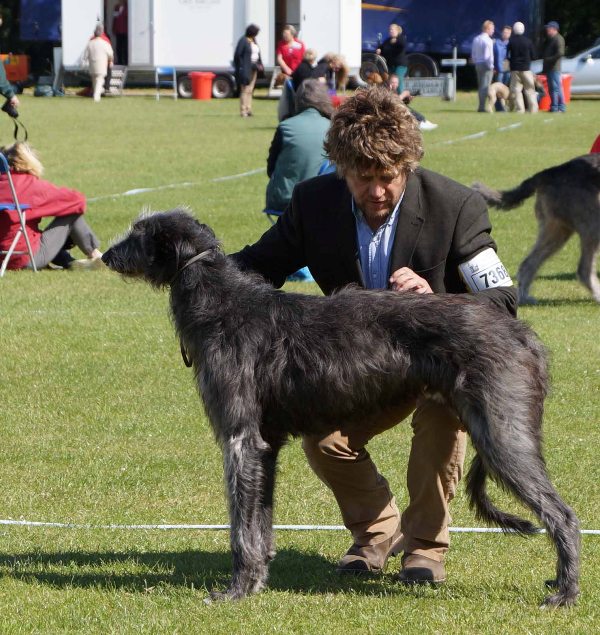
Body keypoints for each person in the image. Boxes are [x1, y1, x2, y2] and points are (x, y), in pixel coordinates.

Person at [232, 87, 516, 583]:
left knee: (441, 423)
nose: (377, 190)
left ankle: (425, 546)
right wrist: (199, 279)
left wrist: (437, 300)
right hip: (358, 368)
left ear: (407, 164)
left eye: (388, 177)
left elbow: (504, 302)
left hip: (439, 361)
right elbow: (257, 266)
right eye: (363, 179)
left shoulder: (456, 205)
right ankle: (378, 531)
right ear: (341, 169)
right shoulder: (313, 204)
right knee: (323, 440)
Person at [0, 142, 104, 271]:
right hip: (26, 259)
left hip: (2, 258)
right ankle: (96, 255)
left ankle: (69, 262)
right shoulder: (29, 185)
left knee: (33, 233)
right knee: (71, 214)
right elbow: (78, 201)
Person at [266, 79, 333, 212]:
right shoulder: (333, 128)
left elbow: (270, 169)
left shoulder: (284, 127)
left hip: (284, 201)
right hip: (321, 200)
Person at [507, 22, 538, 113]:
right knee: (530, 90)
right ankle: (533, 109)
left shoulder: (511, 41)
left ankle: (520, 109)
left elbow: (507, 55)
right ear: (523, 29)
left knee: (516, 90)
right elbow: (534, 56)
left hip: (515, 69)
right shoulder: (528, 41)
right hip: (526, 69)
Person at [234, 24, 262, 117]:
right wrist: (241, 66)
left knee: (250, 90)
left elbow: (257, 53)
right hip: (246, 68)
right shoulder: (243, 41)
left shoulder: (253, 40)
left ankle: (249, 109)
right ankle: (243, 110)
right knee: (245, 90)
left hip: (254, 68)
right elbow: (238, 54)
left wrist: (259, 63)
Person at [82, 24, 114, 102]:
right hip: (102, 65)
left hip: (92, 65)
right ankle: (96, 96)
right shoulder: (105, 41)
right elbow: (110, 54)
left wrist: (84, 64)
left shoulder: (90, 42)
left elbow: (85, 55)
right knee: (100, 80)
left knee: (94, 80)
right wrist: (110, 61)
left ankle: (95, 94)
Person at [376, 24, 409, 94]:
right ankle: (391, 97)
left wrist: (396, 41)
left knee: (397, 79)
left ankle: (401, 98)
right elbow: (382, 49)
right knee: (390, 81)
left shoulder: (401, 38)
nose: (391, 31)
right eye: (390, 30)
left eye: (392, 30)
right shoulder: (387, 41)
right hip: (391, 65)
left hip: (400, 65)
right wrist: (379, 50)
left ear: (397, 31)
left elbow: (402, 45)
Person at [542, 21, 566, 113]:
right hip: (550, 68)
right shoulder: (551, 39)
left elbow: (560, 53)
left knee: (557, 88)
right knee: (552, 89)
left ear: (554, 29)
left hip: (554, 68)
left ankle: (560, 107)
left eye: (549, 28)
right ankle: (554, 107)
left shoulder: (559, 39)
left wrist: (549, 59)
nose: (547, 30)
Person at [471, 20, 495, 112]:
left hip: (478, 64)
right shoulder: (488, 41)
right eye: (492, 29)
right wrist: (491, 66)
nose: (493, 31)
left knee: (480, 85)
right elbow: (488, 56)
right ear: (487, 29)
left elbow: (473, 54)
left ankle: (481, 105)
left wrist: (476, 61)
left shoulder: (476, 39)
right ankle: (481, 107)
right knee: (485, 86)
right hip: (486, 65)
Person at [112, 0, 128, 66]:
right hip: (118, 30)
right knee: (118, 46)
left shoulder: (128, 7)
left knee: (125, 46)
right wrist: (113, 28)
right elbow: (114, 18)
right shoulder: (116, 7)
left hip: (125, 30)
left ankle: (126, 61)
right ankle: (120, 61)